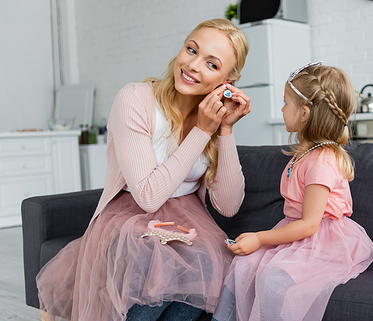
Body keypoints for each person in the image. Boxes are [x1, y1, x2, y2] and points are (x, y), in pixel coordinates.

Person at [36, 18, 250, 321]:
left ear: (228, 81)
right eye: (191, 50)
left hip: (188, 221)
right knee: (152, 259)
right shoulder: (135, 99)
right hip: (130, 214)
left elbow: (228, 206)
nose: (193, 65)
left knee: (208, 265)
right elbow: (148, 197)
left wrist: (225, 130)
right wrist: (200, 132)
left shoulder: (213, 118)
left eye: (212, 65)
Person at [212, 62, 373, 321]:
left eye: (286, 102)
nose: (281, 108)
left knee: (272, 280)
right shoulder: (304, 155)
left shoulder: (322, 161)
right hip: (294, 233)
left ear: (304, 113)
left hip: (323, 240)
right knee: (242, 266)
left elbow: (310, 224)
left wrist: (259, 238)